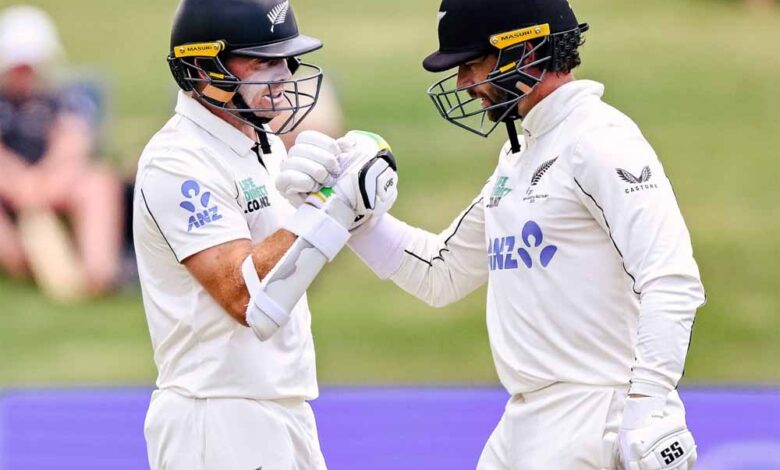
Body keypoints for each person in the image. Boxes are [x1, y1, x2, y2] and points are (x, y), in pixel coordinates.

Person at [276, 0, 705, 468]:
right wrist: (345, 210)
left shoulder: (599, 140)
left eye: (472, 63)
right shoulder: (522, 155)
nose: (463, 83)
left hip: (599, 412)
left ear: (525, 52)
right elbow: (441, 273)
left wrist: (646, 410)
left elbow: (671, 279)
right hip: (526, 421)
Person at [133, 0, 398, 468]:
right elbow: (244, 297)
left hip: (283, 408)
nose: (283, 75)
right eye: (262, 61)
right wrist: (327, 204)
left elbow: (292, 262)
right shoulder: (178, 161)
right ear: (203, 68)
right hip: (216, 416)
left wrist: (352, 207)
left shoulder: (264, 143)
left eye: (287, 60)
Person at [0, 5, 123, 297]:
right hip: (9, 185)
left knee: (98, 183)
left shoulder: (67, 97)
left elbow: (73, 142)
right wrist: (18, 182)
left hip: (56, 182)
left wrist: (43, 181)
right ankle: (20, 261)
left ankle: (98, 272)